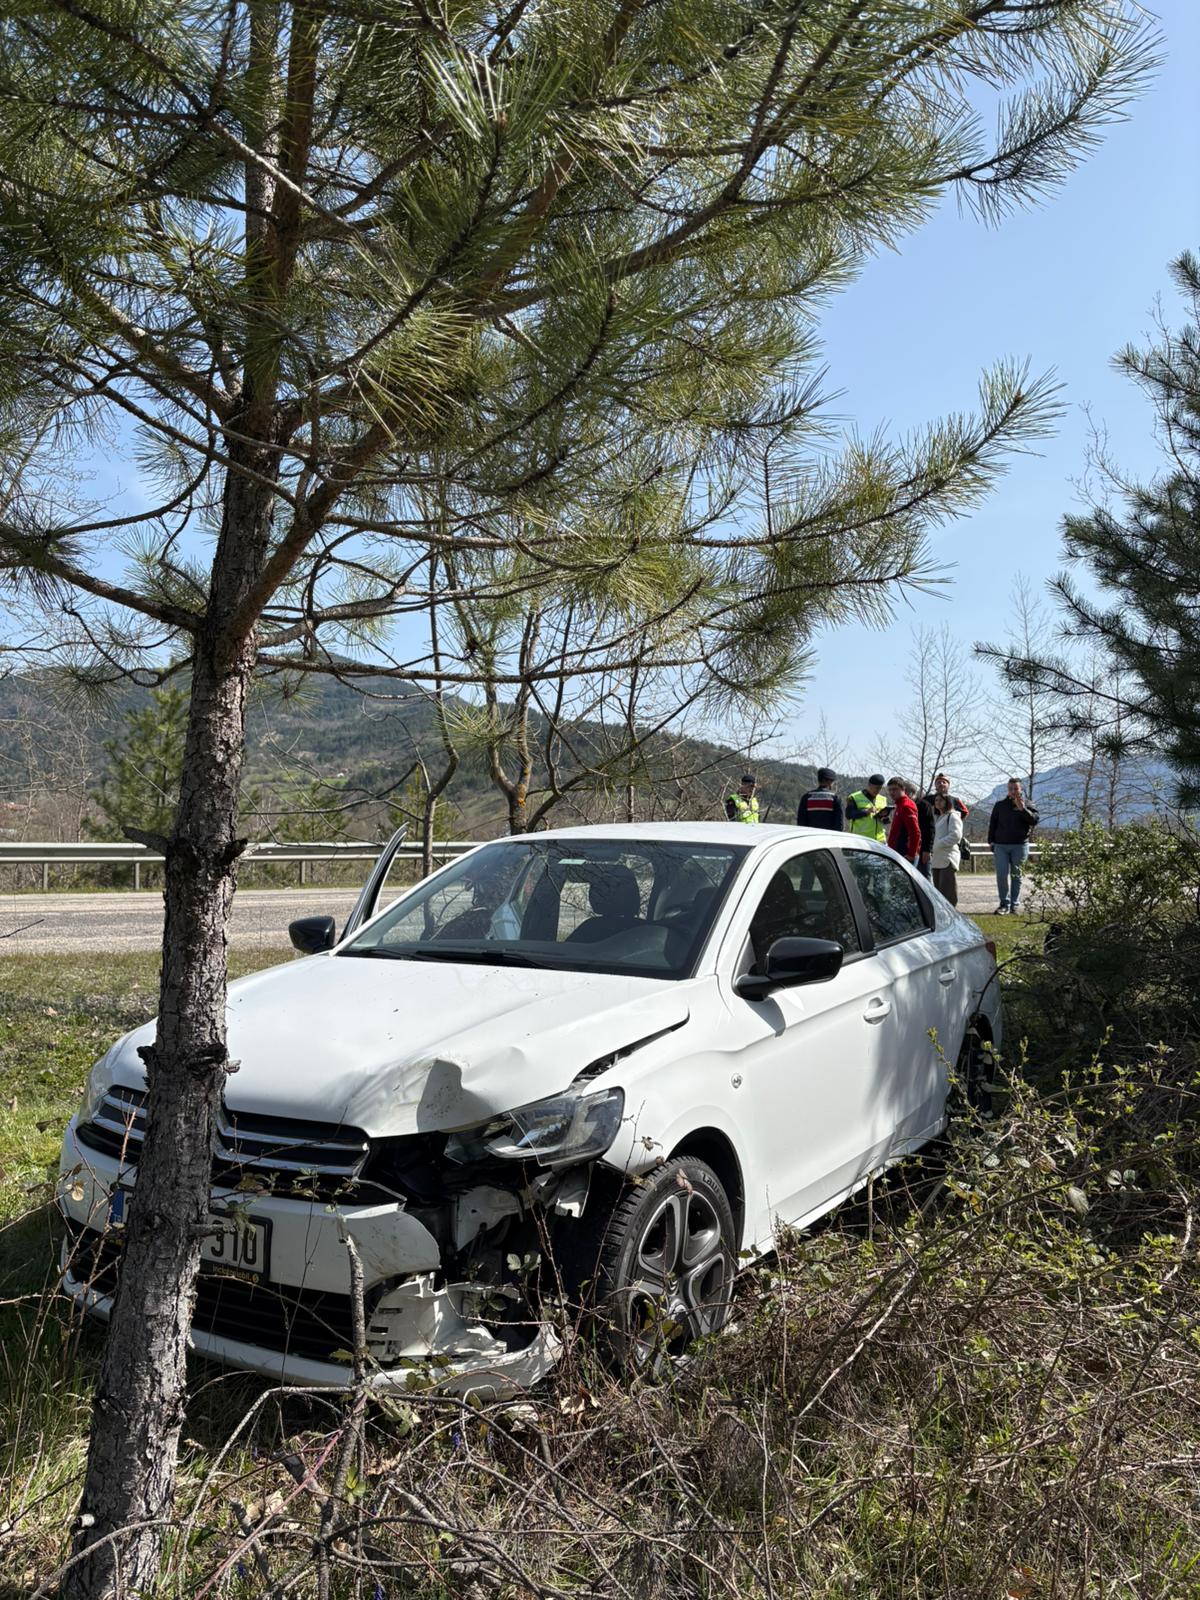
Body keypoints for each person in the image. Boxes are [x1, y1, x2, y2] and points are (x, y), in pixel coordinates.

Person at [987, 777, 1040, 913]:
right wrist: (991, 841)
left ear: (1020, 789)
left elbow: (1034, 821)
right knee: (1002, 875)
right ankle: (1004, 903)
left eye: (1016, 788)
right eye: (1011, 788)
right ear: (1008, 790)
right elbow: (993, 824)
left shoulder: (1028, 803)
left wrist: (1023, 809)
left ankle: (1014, 905)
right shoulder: (1000, 805)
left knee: (1017, 876)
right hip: (1001, 846)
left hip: (1020, 846)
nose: (1013, 791)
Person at [930, 791, 964, 904]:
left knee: (948, 890)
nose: (938, 802)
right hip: (937, 858)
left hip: (947, 858)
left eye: (940, 800)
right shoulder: (940, 817)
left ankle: (951, 914)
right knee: (938, 890)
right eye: (936, 800)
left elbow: (956, 835)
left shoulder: (953, 816)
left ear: (947, 802)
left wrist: (939, 843)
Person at [885, 777, 921, 863]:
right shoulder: (899, 805)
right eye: (889, 790)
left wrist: (911, 854)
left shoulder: (906, 806)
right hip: (897, 853)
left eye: (895, 789)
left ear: (903, 789)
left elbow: (915, 833)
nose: (891, 792)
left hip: (904, 854)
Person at [845, 774, 888, 841]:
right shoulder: (854, 797)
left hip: (880, 840)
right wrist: (866, 811)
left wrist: (884, 817)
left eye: (880, 788)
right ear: (869, 785)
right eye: (876, 788)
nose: (877, 790)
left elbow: (884, 821)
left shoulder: (883, 799)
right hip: (860, 839)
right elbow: (849, 815)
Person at [906, 779, 934, 879]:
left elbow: (930, 829)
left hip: (923, 849)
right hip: (908, 849)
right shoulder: (905, 805)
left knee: (924, 878)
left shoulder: (924, 805)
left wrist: (927, 850)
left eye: (905, 792)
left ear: (912, 793)